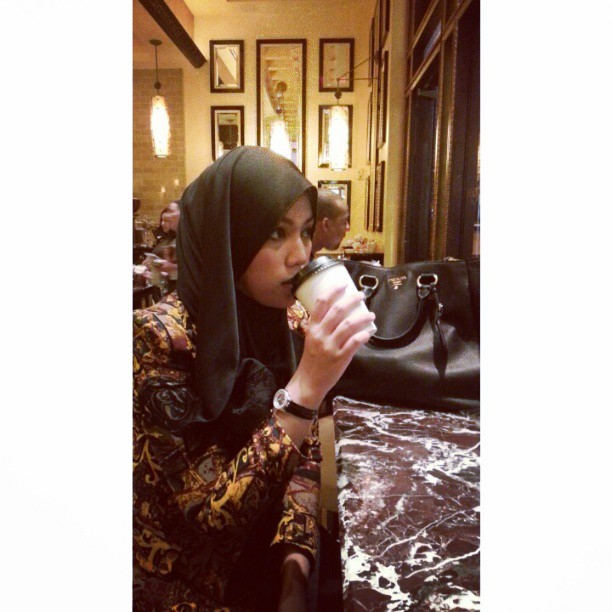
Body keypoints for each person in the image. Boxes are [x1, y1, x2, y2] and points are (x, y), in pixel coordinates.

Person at [133, 146, 375, 611]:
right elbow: (210, 518)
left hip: (269, 565)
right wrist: (306, 389)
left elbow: (304, 462)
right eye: (275, 232)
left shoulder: (288, 321)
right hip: (187, 588)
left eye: (306, 231)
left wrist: (295, 570)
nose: (300, 255)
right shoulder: (157, 337)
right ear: (227, 237)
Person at [311, 188, 350, 254]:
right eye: (344, 222)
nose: (347, 228)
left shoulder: (304, 253)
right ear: (326, 225)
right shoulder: (298, 258)